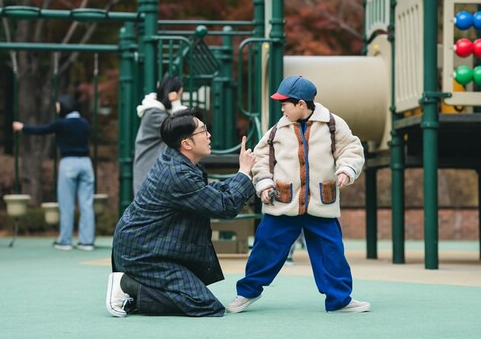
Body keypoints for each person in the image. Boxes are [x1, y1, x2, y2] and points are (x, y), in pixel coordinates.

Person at [226, 75, 370, 314]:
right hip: (282, 202)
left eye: (285, 103)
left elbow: (351, 149)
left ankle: (339, 300)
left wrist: (346, 169)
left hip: (321, 203)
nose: (282, 108)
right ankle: (247, 293)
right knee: (265, 250)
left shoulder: (333, 124)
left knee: (331, 253)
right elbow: (261, 160)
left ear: (301, 104)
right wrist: (263, 184)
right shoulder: (276, 130)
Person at [107, 108, 256, 318]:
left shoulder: (176, 160)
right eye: (203, 131)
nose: (209, 135)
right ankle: (128, 287)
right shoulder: (178, 173)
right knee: (204, 304)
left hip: (151, 246)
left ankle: (135, 288)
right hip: (143, 254)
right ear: (187, 143)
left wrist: (244, 176)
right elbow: (225, 206)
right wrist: (243, 173)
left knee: (196, 295)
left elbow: (208, 195)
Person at [12, 95, 95, 251]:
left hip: (68, 163)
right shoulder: (84, 123)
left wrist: (22, 127)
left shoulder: (61, 124)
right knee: (86, 204)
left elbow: (41, 130)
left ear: (64, 107)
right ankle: (87, 241)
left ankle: (65, 240)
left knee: (67, 203)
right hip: (86, 163)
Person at [133, 75, 185, 194]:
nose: (180, 98)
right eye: (179, 95)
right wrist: (176, 104)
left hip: (151, 172)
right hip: (148, 173)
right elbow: (180, 128)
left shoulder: (158, 112)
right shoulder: (154, 114)